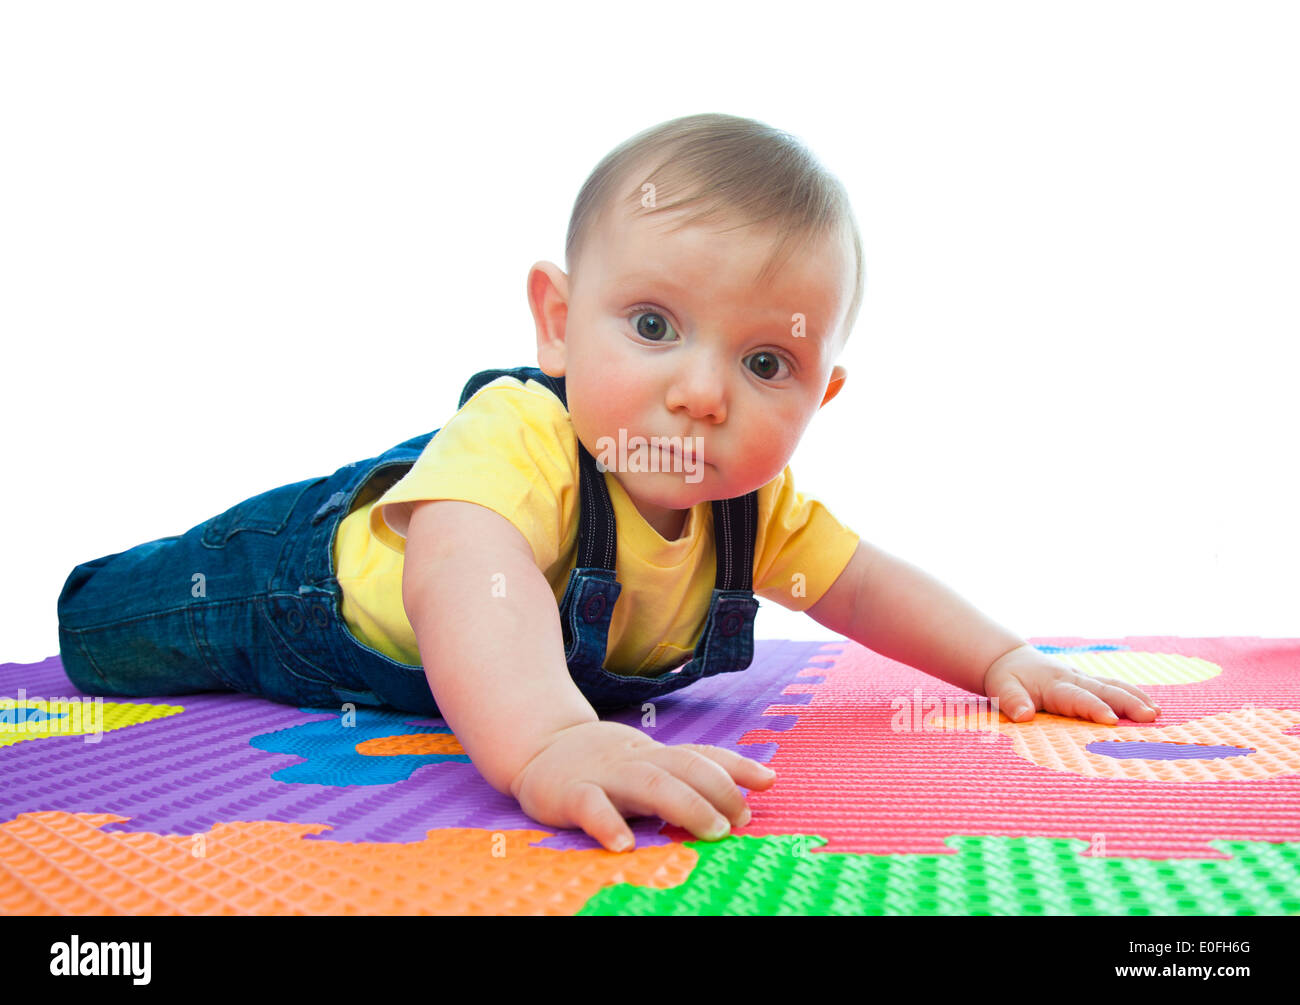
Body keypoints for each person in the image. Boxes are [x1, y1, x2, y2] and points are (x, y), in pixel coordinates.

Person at [58, 113, 1161, 854]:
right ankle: (97, 602)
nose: (700, 392)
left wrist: (1002, 658)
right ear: (557, 322)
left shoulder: (747, 510)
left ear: (820, 397)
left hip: (442, 662)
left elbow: (862, 585)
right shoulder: (524, 438)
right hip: (303, 595)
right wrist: (545, 739)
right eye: (652, 326)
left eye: (763, 362)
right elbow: (466, 576)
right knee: (117, 627)